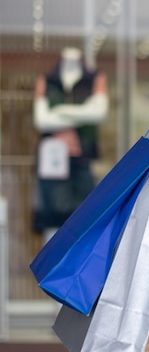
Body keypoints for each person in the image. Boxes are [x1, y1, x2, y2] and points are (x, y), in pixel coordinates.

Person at [32, 46, 108, 242]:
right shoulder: (47, 81)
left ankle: (76, 270)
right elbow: (41, 120)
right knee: (52, 219)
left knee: (85, 219)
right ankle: (50, 268)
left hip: (82, 159)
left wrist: (58, 112)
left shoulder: (94, 79)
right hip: (52, 162)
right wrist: (84, 113)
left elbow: (98, 114)